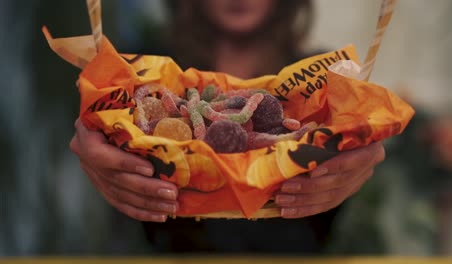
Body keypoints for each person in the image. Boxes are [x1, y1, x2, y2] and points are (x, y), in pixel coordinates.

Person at [70, 0, 385, 254]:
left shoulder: (323, 79)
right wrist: (93, 134)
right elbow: (95, 125)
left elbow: (365, 148)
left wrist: (362, 154)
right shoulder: (145, 69)